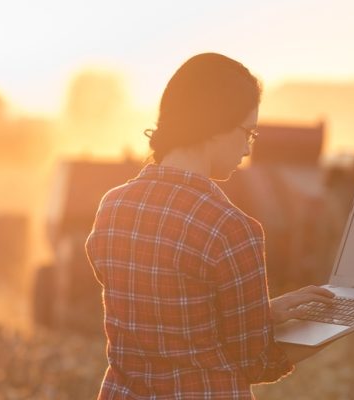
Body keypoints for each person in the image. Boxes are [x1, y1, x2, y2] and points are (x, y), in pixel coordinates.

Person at [85, 53, 335, 399]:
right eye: (248, 132)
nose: (248, 148)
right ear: (217, 126)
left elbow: (171, 318)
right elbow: (257, 364)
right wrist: (332, 327)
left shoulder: (112, 207)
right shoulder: (231, 228)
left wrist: (265, 313)